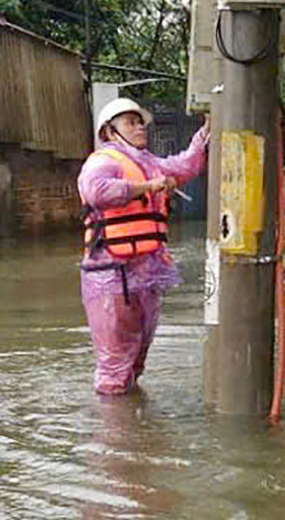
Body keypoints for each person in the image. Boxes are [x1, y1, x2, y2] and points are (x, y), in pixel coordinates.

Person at [78, 98, 209, 395]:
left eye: (140, 122)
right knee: (115, 366)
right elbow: (97, 191)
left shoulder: (149, 163)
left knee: (136, 360)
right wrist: (147, 188)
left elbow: (186, 165)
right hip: (112, 275)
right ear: (110, 133)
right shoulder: (103, 161)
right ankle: (116, 433)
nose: (139, 127)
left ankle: (135, 428)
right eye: (130, 122)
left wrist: (205, 132)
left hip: (147, 273)